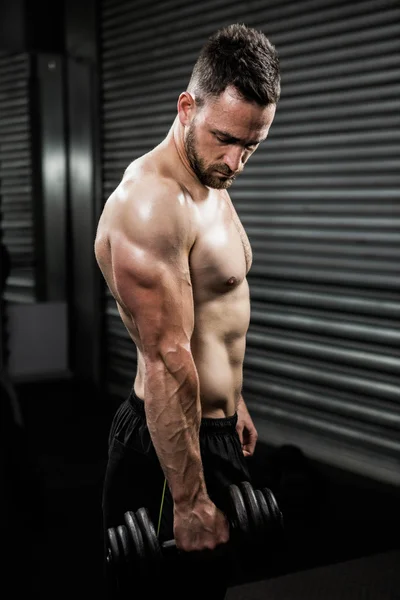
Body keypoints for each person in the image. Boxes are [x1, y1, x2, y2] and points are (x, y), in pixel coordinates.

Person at [95, 22, 281, 599]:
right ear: (185, 107)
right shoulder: (151, 203)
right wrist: (189, 499)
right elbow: (166, 357)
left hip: (213, 428)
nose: (237, 160)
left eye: (252, 144)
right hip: (170, 446)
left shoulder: (211, 177)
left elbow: (209, 314)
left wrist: (233, 401)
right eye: (225, 137)